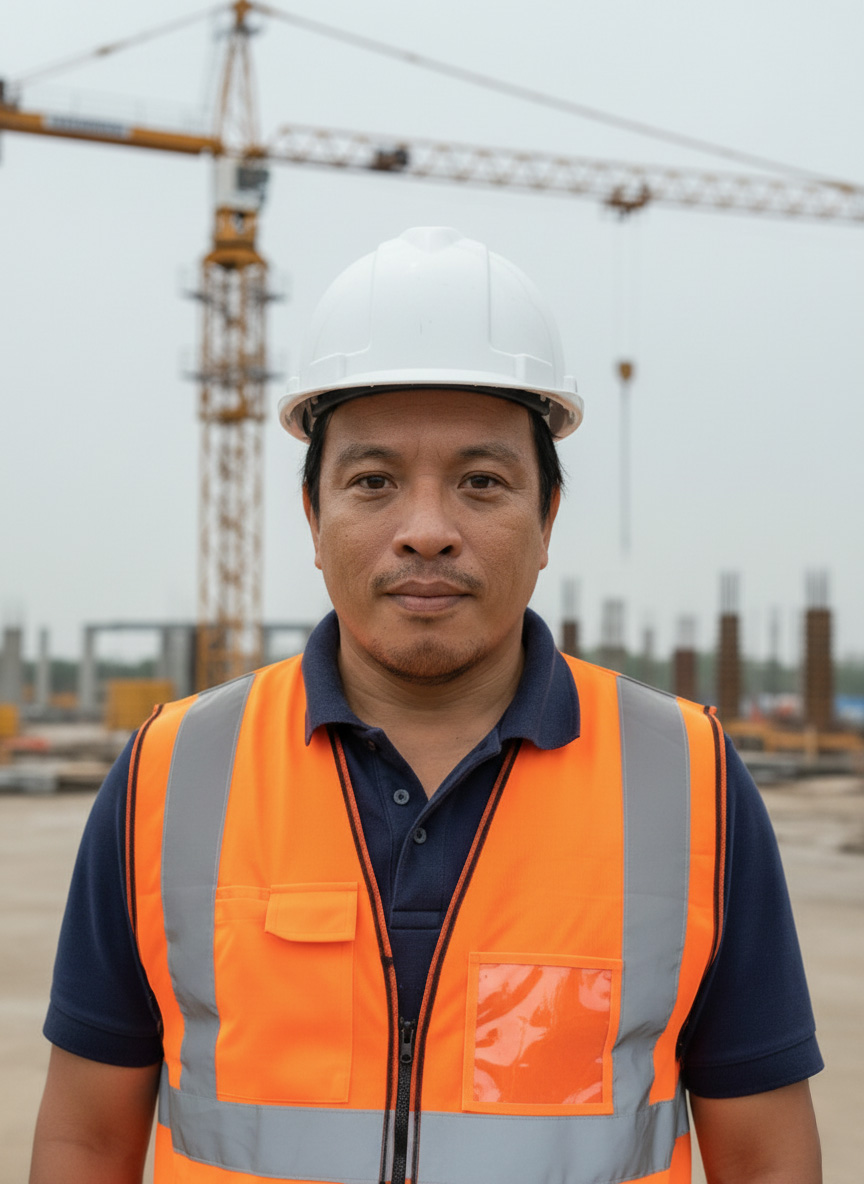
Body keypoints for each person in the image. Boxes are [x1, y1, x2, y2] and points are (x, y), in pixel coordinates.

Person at [30, 227, 823, 1184]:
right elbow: (85, 1140)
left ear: (547, 520)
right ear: (314, 520)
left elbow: (766, 1155)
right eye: (373, 482)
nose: (427, 532)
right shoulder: (173, 771)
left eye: (482, 482)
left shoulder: (687, 778)